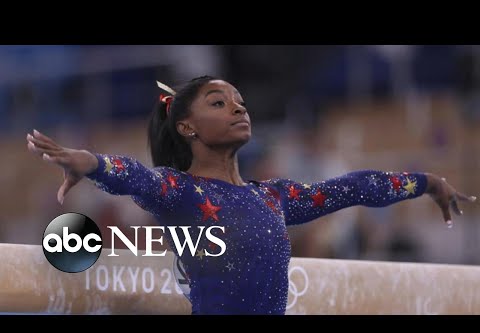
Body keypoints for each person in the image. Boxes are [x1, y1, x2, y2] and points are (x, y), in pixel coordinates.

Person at [26, 75, 477, 315]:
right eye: (218, 103)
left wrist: (425, 182)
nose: (238, 107)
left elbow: (352, 188)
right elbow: (133, 175)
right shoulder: (181, 192)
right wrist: (89, 162)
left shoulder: (274, 198)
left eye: (239, 100)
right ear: (187, 127)